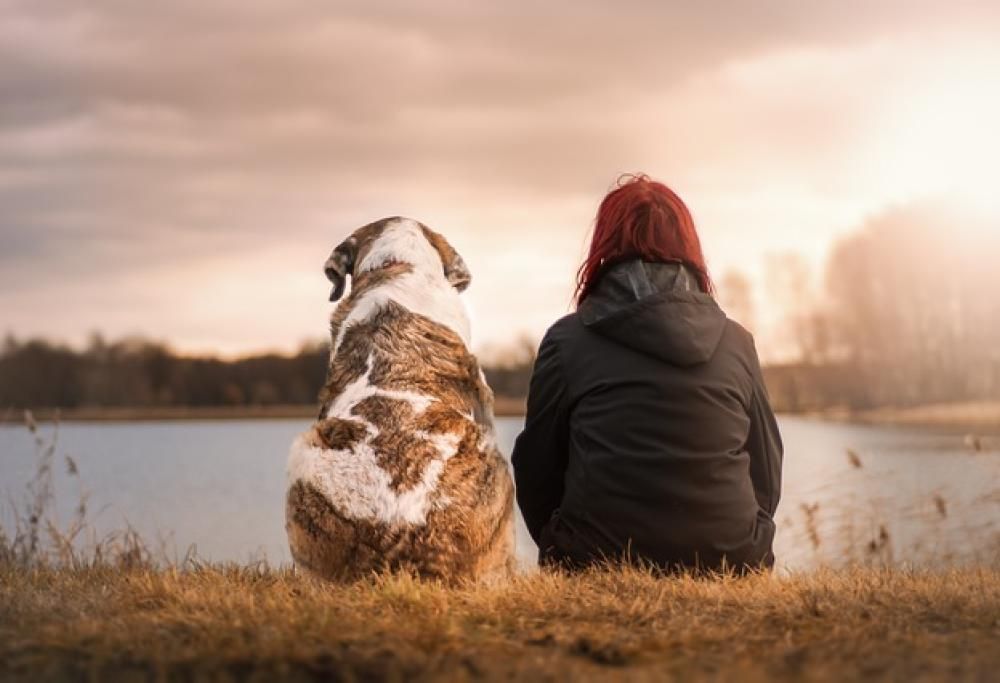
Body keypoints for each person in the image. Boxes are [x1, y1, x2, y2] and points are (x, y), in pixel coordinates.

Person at [511, 174, 783, 574]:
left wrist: (561, 544)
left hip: (594, 561)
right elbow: (767, 467)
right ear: (689, 247)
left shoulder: (567, 342)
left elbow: (536, 469)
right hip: (732, 561)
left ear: (604, 246)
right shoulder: (736, 342)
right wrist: (745, 538)